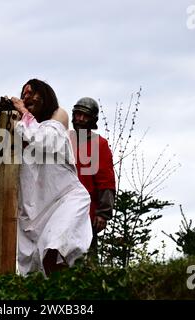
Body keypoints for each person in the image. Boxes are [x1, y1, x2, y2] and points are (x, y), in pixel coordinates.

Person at [10, 79, 92, 276]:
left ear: (44, 96)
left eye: (31, 93)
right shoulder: (22, 130)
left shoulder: (55, 123)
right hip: (35, 214)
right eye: (23, 94)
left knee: (57, 249)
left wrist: (23, 112)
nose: (26, 97)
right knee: (38, 271)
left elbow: (41, 140)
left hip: (65, 200)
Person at [70, 97, 116, 262]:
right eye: (78, 115)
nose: (81, 119)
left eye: (86, 116)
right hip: (63, 211)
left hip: (87, 214)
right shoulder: (65, 140)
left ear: (93, 120)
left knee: (86, 261)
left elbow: (106, 181)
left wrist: (103, 213)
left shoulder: (99, 144)